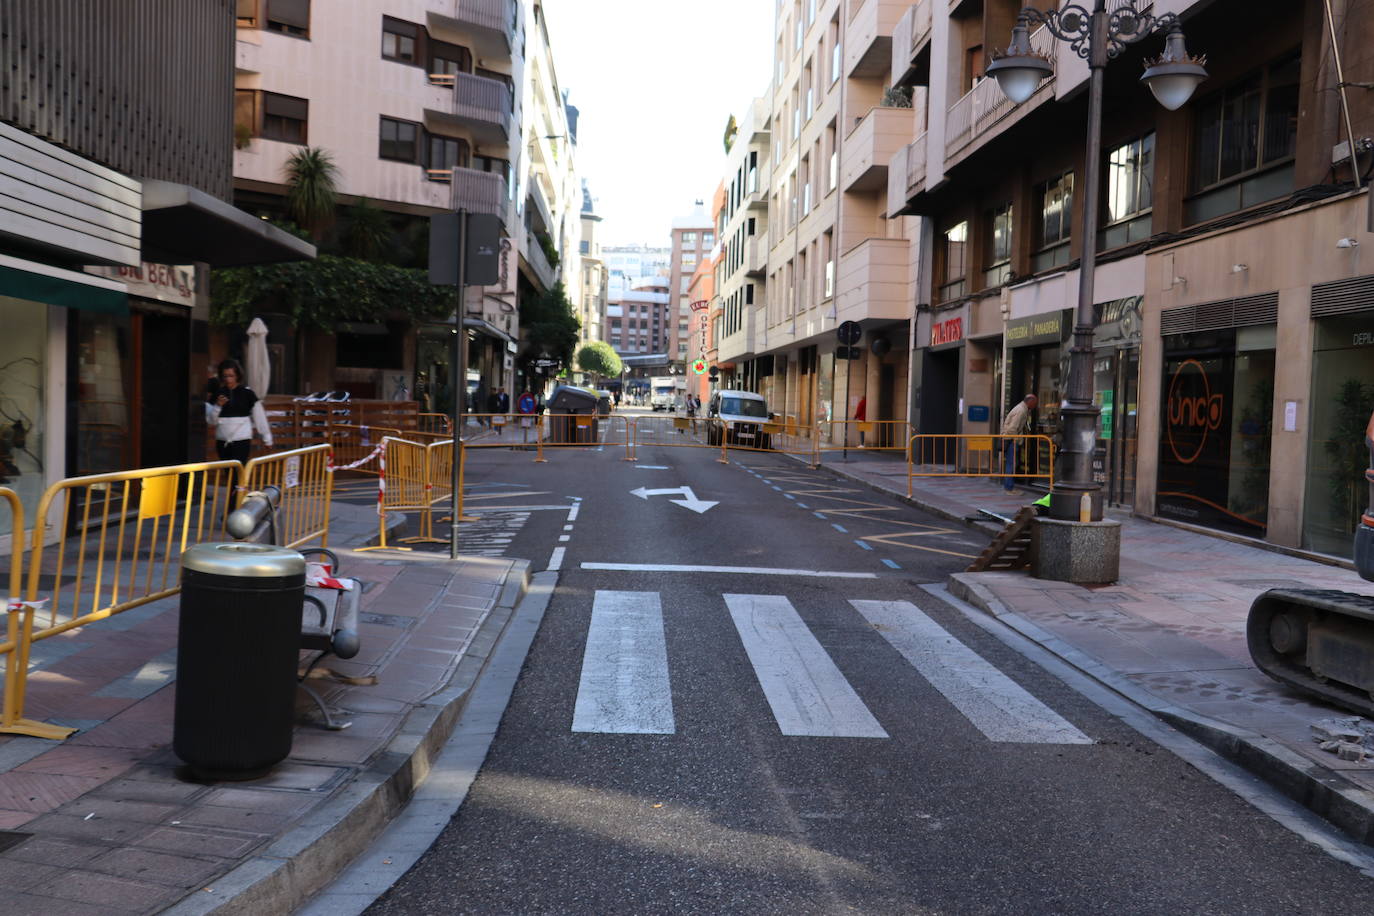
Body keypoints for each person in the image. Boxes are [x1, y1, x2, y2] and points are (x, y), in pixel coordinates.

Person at [206, 358, 273, 463]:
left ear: (237, 375)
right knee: (228, 472)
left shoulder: (248, 393)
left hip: (242, 439)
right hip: (222, 440)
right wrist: (218, 406)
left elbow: (259, 417)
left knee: (238, 471)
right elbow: (211, 421)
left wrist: (267, 438)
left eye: (231, 376)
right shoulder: (217, 394)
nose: (228, 380)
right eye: (225, 376)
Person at [1000, 393, 1038, 491]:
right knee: (1011, 464)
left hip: (1012, 439)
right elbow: (1012, 428)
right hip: (1012, 440)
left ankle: (1009, 486)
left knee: (1011, 463)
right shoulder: (1021, 410)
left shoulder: (1022, 409)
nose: (1035, 405)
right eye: (1035, 403)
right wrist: (1017, 439)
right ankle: (1009, 488)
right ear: (1030, 402)